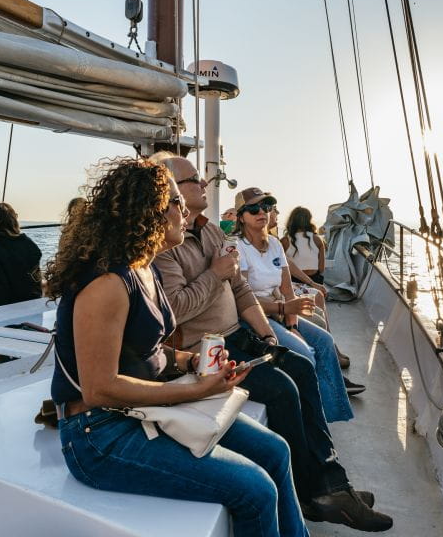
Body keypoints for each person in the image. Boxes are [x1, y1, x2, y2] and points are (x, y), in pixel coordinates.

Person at [47, 157, 309, 537]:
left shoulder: (144, 268)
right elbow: (99, 389)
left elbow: (147, 351)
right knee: (255, 490)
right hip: (100, 433)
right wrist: (198, 390)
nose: (185, 210)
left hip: (144, 408)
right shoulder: (107, 284)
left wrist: (191, 362)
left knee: (276, 451)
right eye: (175, 202)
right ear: (148, 209)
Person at [151, 155, 392, 532]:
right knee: (283, 389)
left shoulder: (210, 231)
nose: (203, 183)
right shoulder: (166, 246)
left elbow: (241, 290)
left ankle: (331, 482)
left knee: (301, 366)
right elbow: (174, 310)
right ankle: (313, 493)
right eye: (193, 180)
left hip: (241, 334)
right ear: (168, 192)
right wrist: (215, 274)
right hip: (206, 348)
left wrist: (267, 337)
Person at [235, 188, 366, 398]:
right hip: (255, 316)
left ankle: (334, 394)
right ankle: (322, 395)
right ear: (241, 217)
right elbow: (242, 299)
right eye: (253, 209)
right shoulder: (238, 247)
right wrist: (284, 308)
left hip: (278, 311)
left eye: (266, 206)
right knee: (306, 354)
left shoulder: (275, 244)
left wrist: (292, 326)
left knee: (324, 340)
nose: (262, 212)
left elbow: (288, 290)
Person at [281, 207, 326, 285]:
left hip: (294, 282)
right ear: (309, 220)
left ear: (292, 221)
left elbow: (282, 268)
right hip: (315, 281)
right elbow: (321, 268)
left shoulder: (285, 241)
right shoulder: (317, 239)